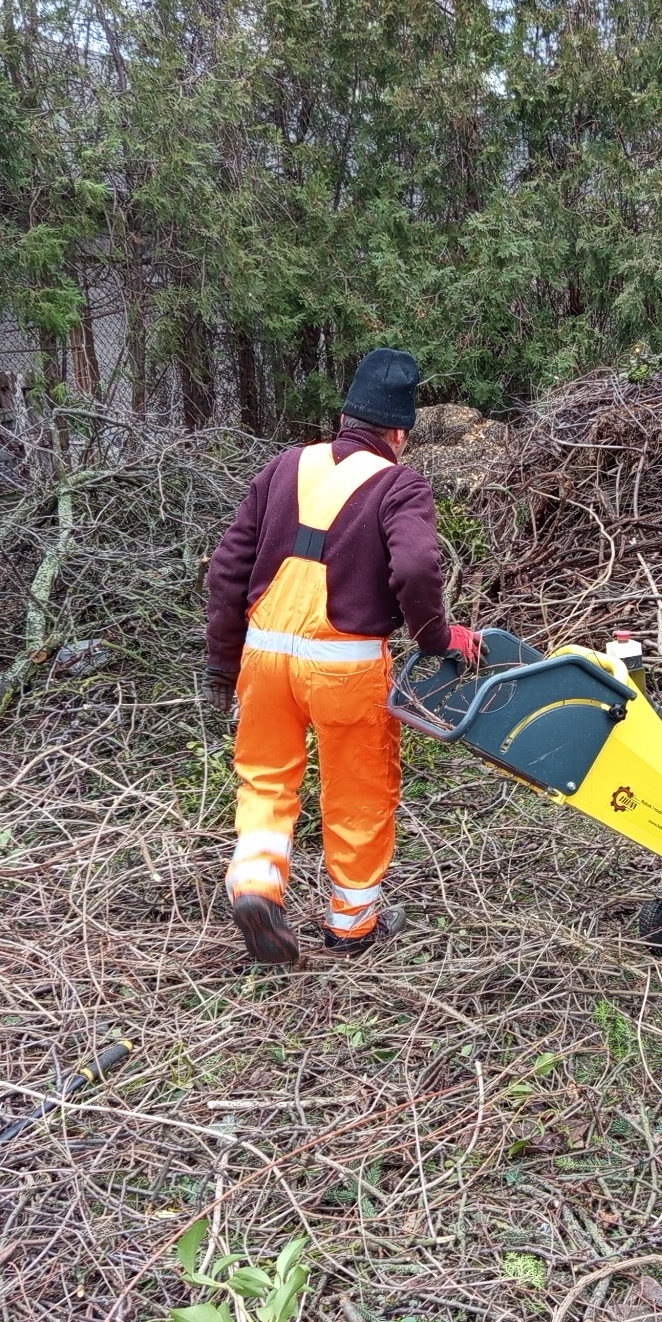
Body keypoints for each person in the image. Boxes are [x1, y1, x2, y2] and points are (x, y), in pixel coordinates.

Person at [205, 348, 476, 964]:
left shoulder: (284, 466)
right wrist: (437, 639)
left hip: (264, 662)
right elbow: (415, 566)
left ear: (345, 417)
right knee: (359, 793)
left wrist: (222, 662)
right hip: (345, 669)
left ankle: (256, 887)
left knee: (266, 779)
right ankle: (351, 928)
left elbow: (226, 569)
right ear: (399, 433)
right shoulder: (399, 483)